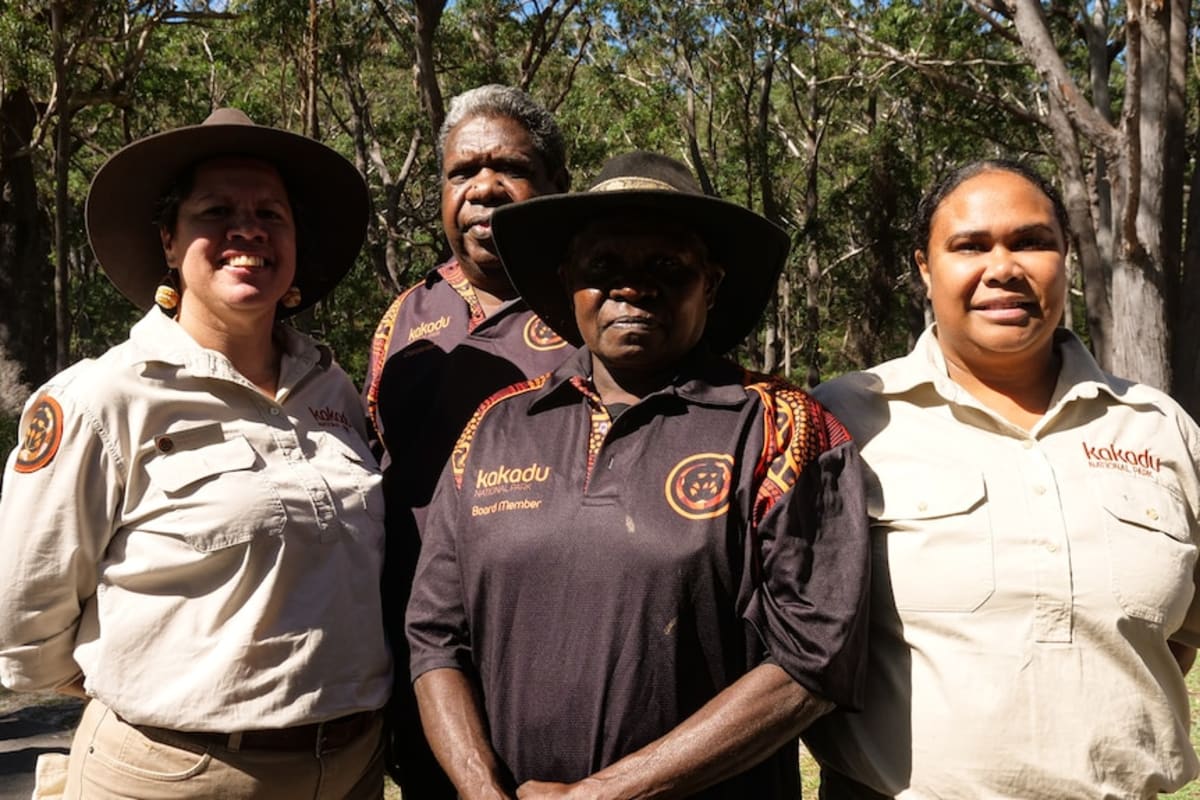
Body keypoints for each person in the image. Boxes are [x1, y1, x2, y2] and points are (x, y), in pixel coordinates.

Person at [406, 151, 871, 798]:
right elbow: (433, 638)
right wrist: (481, 790)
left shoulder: (783, 426)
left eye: (666, 266)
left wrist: (603, 796)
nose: (633, 286)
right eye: (604, 266)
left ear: (710, 282)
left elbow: (815, 660)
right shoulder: (493, 429)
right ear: (568, 280)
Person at [0, 108, 391, 799]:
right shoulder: (102, 399)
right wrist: (162, 693)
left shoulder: (335, 392)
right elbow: (23, 618)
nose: (248, 229)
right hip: (173, 777)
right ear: (169, 242)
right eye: (216, 210)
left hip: (350, 770)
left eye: (272, 213)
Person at [803, 160, 1200, 799]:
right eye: (970, 246)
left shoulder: (1158, 430)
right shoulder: (845, 420)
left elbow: (1169, 638)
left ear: (1066, 257)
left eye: (1031, 242)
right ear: (926, 269)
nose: (1004, 268)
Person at [362, 84, 574, 797]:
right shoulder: (407, 314)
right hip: (422, 660)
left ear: (555, 186)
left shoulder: (590, 307)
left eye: (509, 168)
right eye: (462, 172)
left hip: (552, 662)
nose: (484, 188)